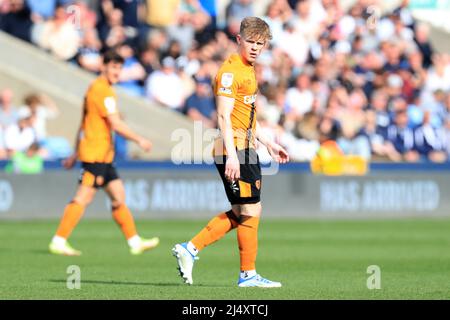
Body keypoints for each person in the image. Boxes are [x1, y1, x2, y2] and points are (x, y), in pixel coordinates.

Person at [172, 17, 289, 287]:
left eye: (261, 43)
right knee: (251, 209)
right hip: (235, 148)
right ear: (239, 40)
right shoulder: (230, 72)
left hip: (245, 146)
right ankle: (247, 274)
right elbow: (223, 116)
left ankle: (190, 249)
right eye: (251, 41)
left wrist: (269, 142)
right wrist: (233, 155)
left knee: (242, 210)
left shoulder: (249, 70)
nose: (256, 47)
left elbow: (246, 115)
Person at [48, 50, 159, 256]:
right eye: (114, 67)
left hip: (104, 156)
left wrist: (73, 153)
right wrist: (139, 139)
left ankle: (134, 241)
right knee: (83, 197)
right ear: (103, 66)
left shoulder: (98, 89)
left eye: (120, 68)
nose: (117, 72)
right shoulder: (103, 91)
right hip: (95, 155)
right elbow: (115, 124)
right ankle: (59, 240)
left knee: (118, 196)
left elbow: (84, 123)